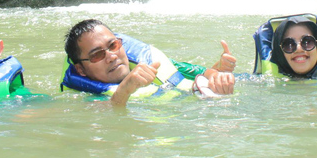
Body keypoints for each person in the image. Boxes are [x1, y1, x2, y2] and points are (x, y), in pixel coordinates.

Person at [62, 19, 236, 106]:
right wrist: (124, 91)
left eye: (113, 45)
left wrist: (218, 73)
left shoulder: (151, 62)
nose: (112, 56)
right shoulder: (80, 99)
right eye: (97, 55)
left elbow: (202, 72)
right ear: (81, 70)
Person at [253, 13, 317, 80]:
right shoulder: (256, 83)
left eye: (307, 42)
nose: (299, 49)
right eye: (289, 44)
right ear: (279, 51)